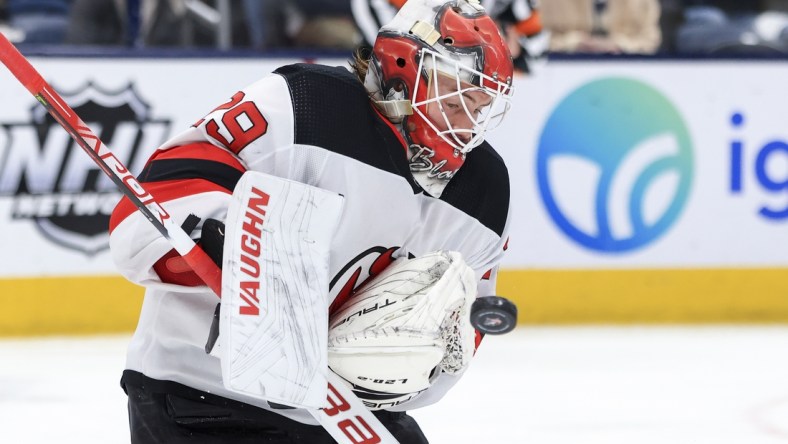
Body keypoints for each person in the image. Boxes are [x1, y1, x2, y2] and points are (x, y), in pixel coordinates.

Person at [109, 0, 514, 442]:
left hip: (337, 413)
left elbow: (460, 338)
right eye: (456, 100)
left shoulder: (484, 193)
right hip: (196, 393)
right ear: (403, 67)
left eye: (479, 108)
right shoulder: (306, 105)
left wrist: (397, 371)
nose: (467, 126)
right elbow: (152, 205)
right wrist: (226, 244)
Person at [352, 0, 546, 73]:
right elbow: (388, 54)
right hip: (410, 84)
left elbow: (537, 59)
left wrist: (514, 49)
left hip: (471, 99)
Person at [540, 0, 662, 54]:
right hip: (562, 71)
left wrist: (619, 44)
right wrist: (574, 42)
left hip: (625, 73)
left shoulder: (641, 2)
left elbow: (651, 40)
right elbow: (535, 40)